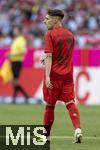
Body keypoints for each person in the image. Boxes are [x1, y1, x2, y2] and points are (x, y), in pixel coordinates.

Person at [43, 9, 82, 143]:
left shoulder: (50, 34)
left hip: (54, 76)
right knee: (70, 103)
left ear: (55, 20)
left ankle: (46, 136)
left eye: (47, 19)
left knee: (50, 105)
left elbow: (49, 55)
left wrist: (47, 76)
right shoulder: (70, 35)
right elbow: (63, 55)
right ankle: (77, 129)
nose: (44, 21)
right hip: (68, 76)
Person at [9, 26, 29, 104]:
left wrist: (12, 55)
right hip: (13, 61)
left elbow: (23, 51)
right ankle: (21, 96)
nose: (14, 31)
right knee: (14, 81)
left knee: (15, 81)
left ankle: (22, 96)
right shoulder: (15, 40)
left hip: (17, 61)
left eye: (15, 30)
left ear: (19, 31)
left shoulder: (21, 40)